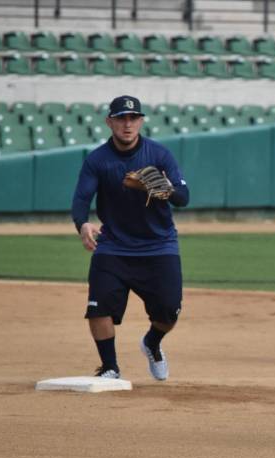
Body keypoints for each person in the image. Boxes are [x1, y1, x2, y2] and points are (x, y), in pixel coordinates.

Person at [71, 95, 190, 381]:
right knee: (97, 308)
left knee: (168, 313)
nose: (127, 124)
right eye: (121, 118)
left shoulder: (159, 155)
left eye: (133, 118)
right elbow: (81, 199)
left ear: (141, 121)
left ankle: (152, 342)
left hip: (159, 245)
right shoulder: (97, 159)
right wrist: (83, 224)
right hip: (113, 246)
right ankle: (110, 366)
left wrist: (155, 186)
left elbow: (183, 198)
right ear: (109, 121)